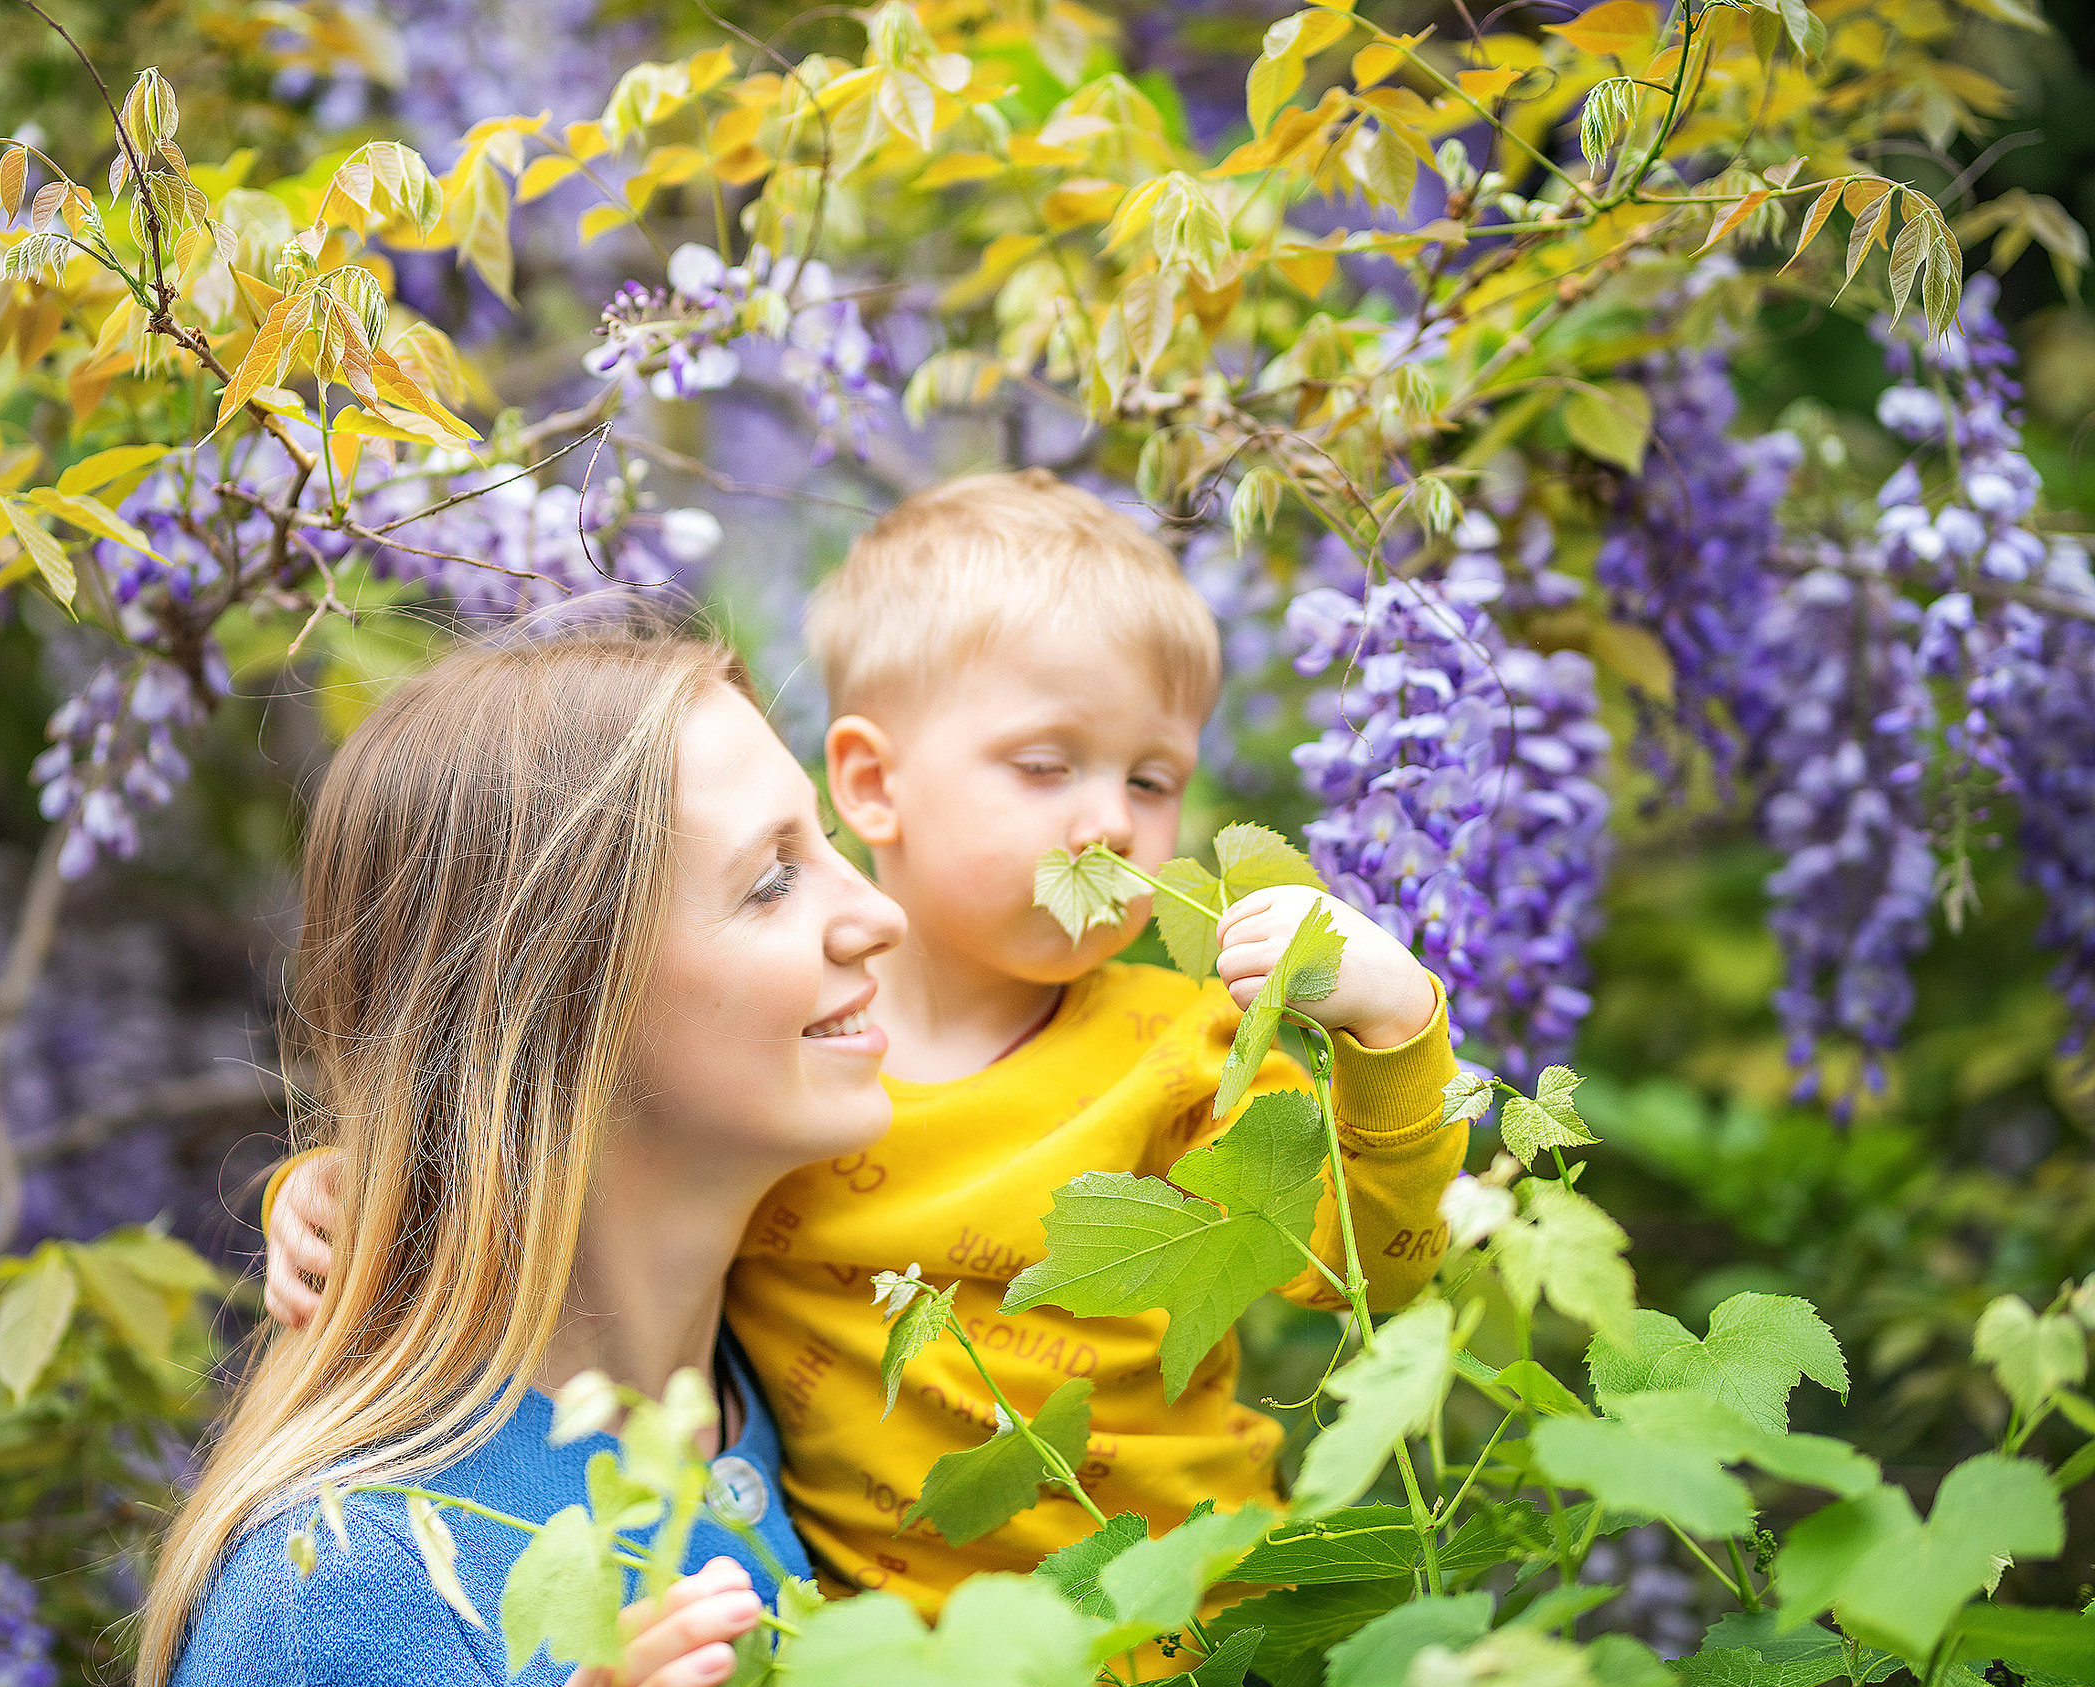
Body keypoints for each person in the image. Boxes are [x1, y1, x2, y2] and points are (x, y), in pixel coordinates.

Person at [262, 473, 1469, 1628]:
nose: (1108, 820)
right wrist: (352, 1189)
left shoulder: (1187, 1047)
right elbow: (561, 1137)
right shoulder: (799, 1066)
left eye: (1153, 779)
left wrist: (1392, 1032)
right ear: (873, 782)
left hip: (1180, 1627)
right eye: (1046, 765)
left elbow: (1366, 1267)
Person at [137, 617, 906, 1687]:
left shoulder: (819, 1335)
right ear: (560, 1003)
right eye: (773, 881)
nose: (880, 912)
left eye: (831, 848)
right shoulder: (342, 1597)